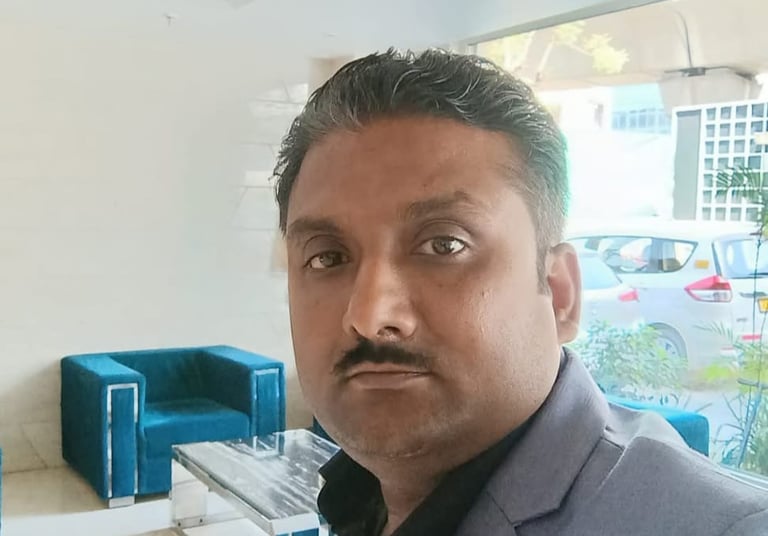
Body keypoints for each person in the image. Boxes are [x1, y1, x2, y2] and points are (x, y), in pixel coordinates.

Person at [272, 48, 768, 536]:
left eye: (444, 245)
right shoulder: (360, 498)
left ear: (559, 294)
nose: (368, 314)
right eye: (327, 257)